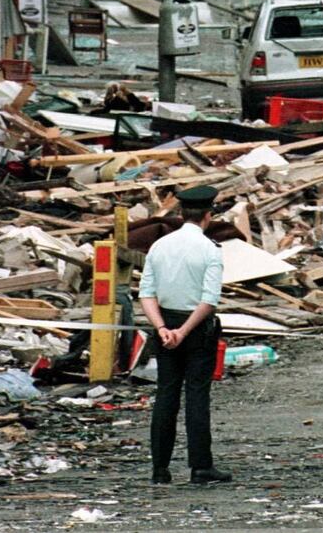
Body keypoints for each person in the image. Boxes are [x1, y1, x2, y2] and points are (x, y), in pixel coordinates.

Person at [138, 185, 231, 486]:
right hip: (196, 328)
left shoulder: (159, 246)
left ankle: (160, 469)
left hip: (164, 326)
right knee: (196, 396)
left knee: (166, 394)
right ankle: (201, 466)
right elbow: (209, 301)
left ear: (179, 214)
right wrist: (184, 330)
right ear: (208, 215)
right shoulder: (209, 250)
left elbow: (146, 294)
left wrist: (163, 329)